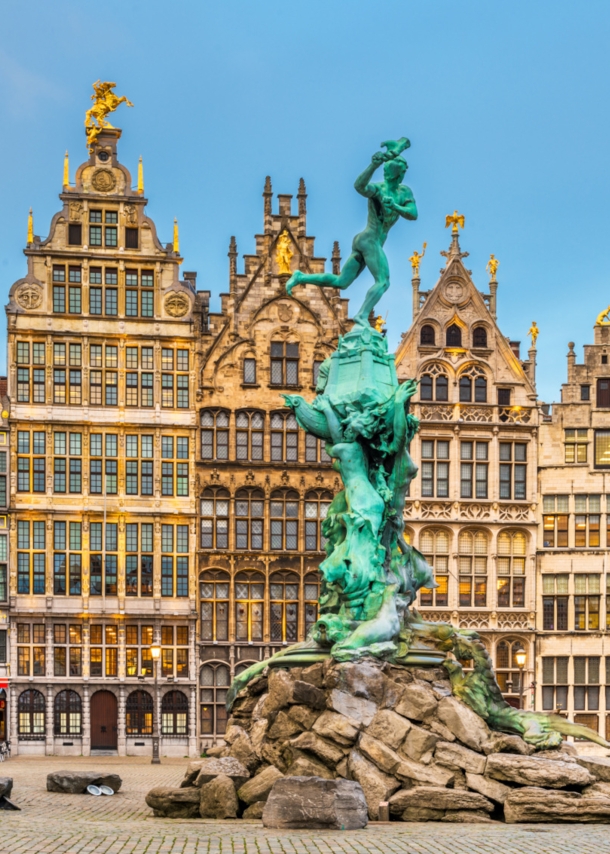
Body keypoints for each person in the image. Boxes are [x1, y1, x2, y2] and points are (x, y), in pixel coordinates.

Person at [286, 143, 417, 325]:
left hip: (366, 241)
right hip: (369, 239)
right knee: (383, 282)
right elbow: (359, 186)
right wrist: (373, 166)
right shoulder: (378, 190)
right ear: (398, 173)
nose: (400, 174)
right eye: (400, 171)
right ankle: (362, 315)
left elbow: (413, 214)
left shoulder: (404, 192)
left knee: (342, 282)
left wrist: (395, 206)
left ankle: (301, 277)